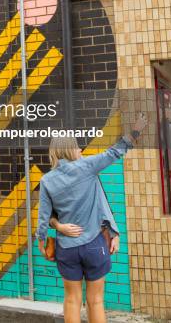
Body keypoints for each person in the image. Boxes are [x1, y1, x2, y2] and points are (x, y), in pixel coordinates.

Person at [36, 113, 147, 323]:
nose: (80, 150)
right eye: (77, 147)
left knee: (71, 300)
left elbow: (44, 216)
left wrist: (42, 243)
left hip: (66, 247)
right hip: (94, 245)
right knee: (96, 300)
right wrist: (136, 130)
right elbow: (116, 151)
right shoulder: (88, 167)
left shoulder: (47, 180)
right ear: (70, 149)